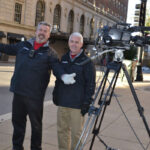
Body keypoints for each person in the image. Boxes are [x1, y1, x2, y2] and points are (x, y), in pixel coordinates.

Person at [0, 21, 76, 150]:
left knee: (36, 126)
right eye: (40, 30)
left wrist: (64, 76)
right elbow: (6, 48)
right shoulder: (23, 45)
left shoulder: (50, 53)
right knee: (18, 124)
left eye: (45, 31)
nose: (42, 33)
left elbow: (57, 68)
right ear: (36, 32)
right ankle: (17, 147)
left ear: (49, 35)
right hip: (18, 92)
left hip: (34, 96)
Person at [53, 32, 96, 150]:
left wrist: (87, 103)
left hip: (77, 105)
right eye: (72, 41)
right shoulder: (64, 58)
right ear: (68, 42)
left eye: (77, 42)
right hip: (63, 103)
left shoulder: (87, 62)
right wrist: (56, 95)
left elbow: (91, 84)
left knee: (77, 135)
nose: (74, 44)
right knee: (62, 132)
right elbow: (59, 79)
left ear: (81, 44)